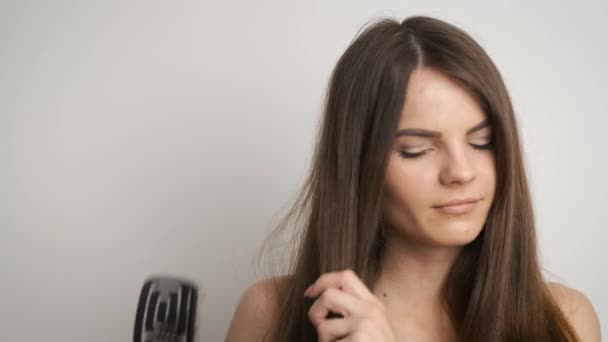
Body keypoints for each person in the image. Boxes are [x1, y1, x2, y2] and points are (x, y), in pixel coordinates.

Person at [225, 15, 601, 341]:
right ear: (360, 164)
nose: (461, 172)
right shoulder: (270, 315)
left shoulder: (566, 319)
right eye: (416, 150)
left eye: (482, 142)